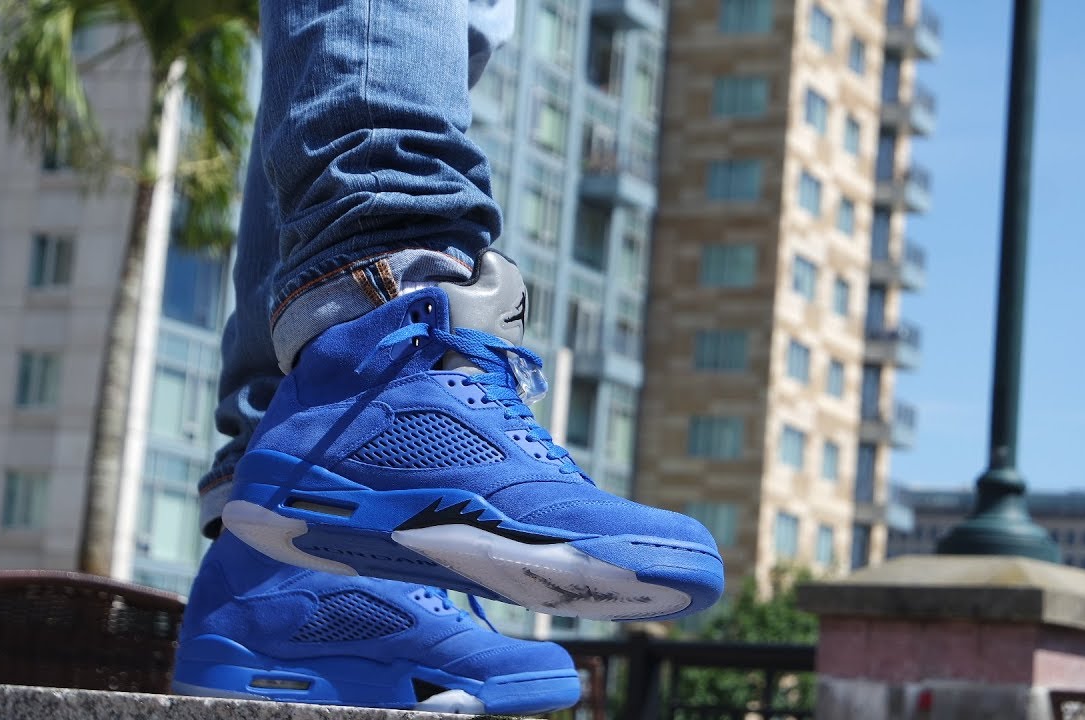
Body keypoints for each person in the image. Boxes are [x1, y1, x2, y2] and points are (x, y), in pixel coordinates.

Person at [173, 0, 724, 711]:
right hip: (377, 351)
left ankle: (283, 574)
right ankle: (388, 346)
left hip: (293, 471)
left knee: (459, 26)